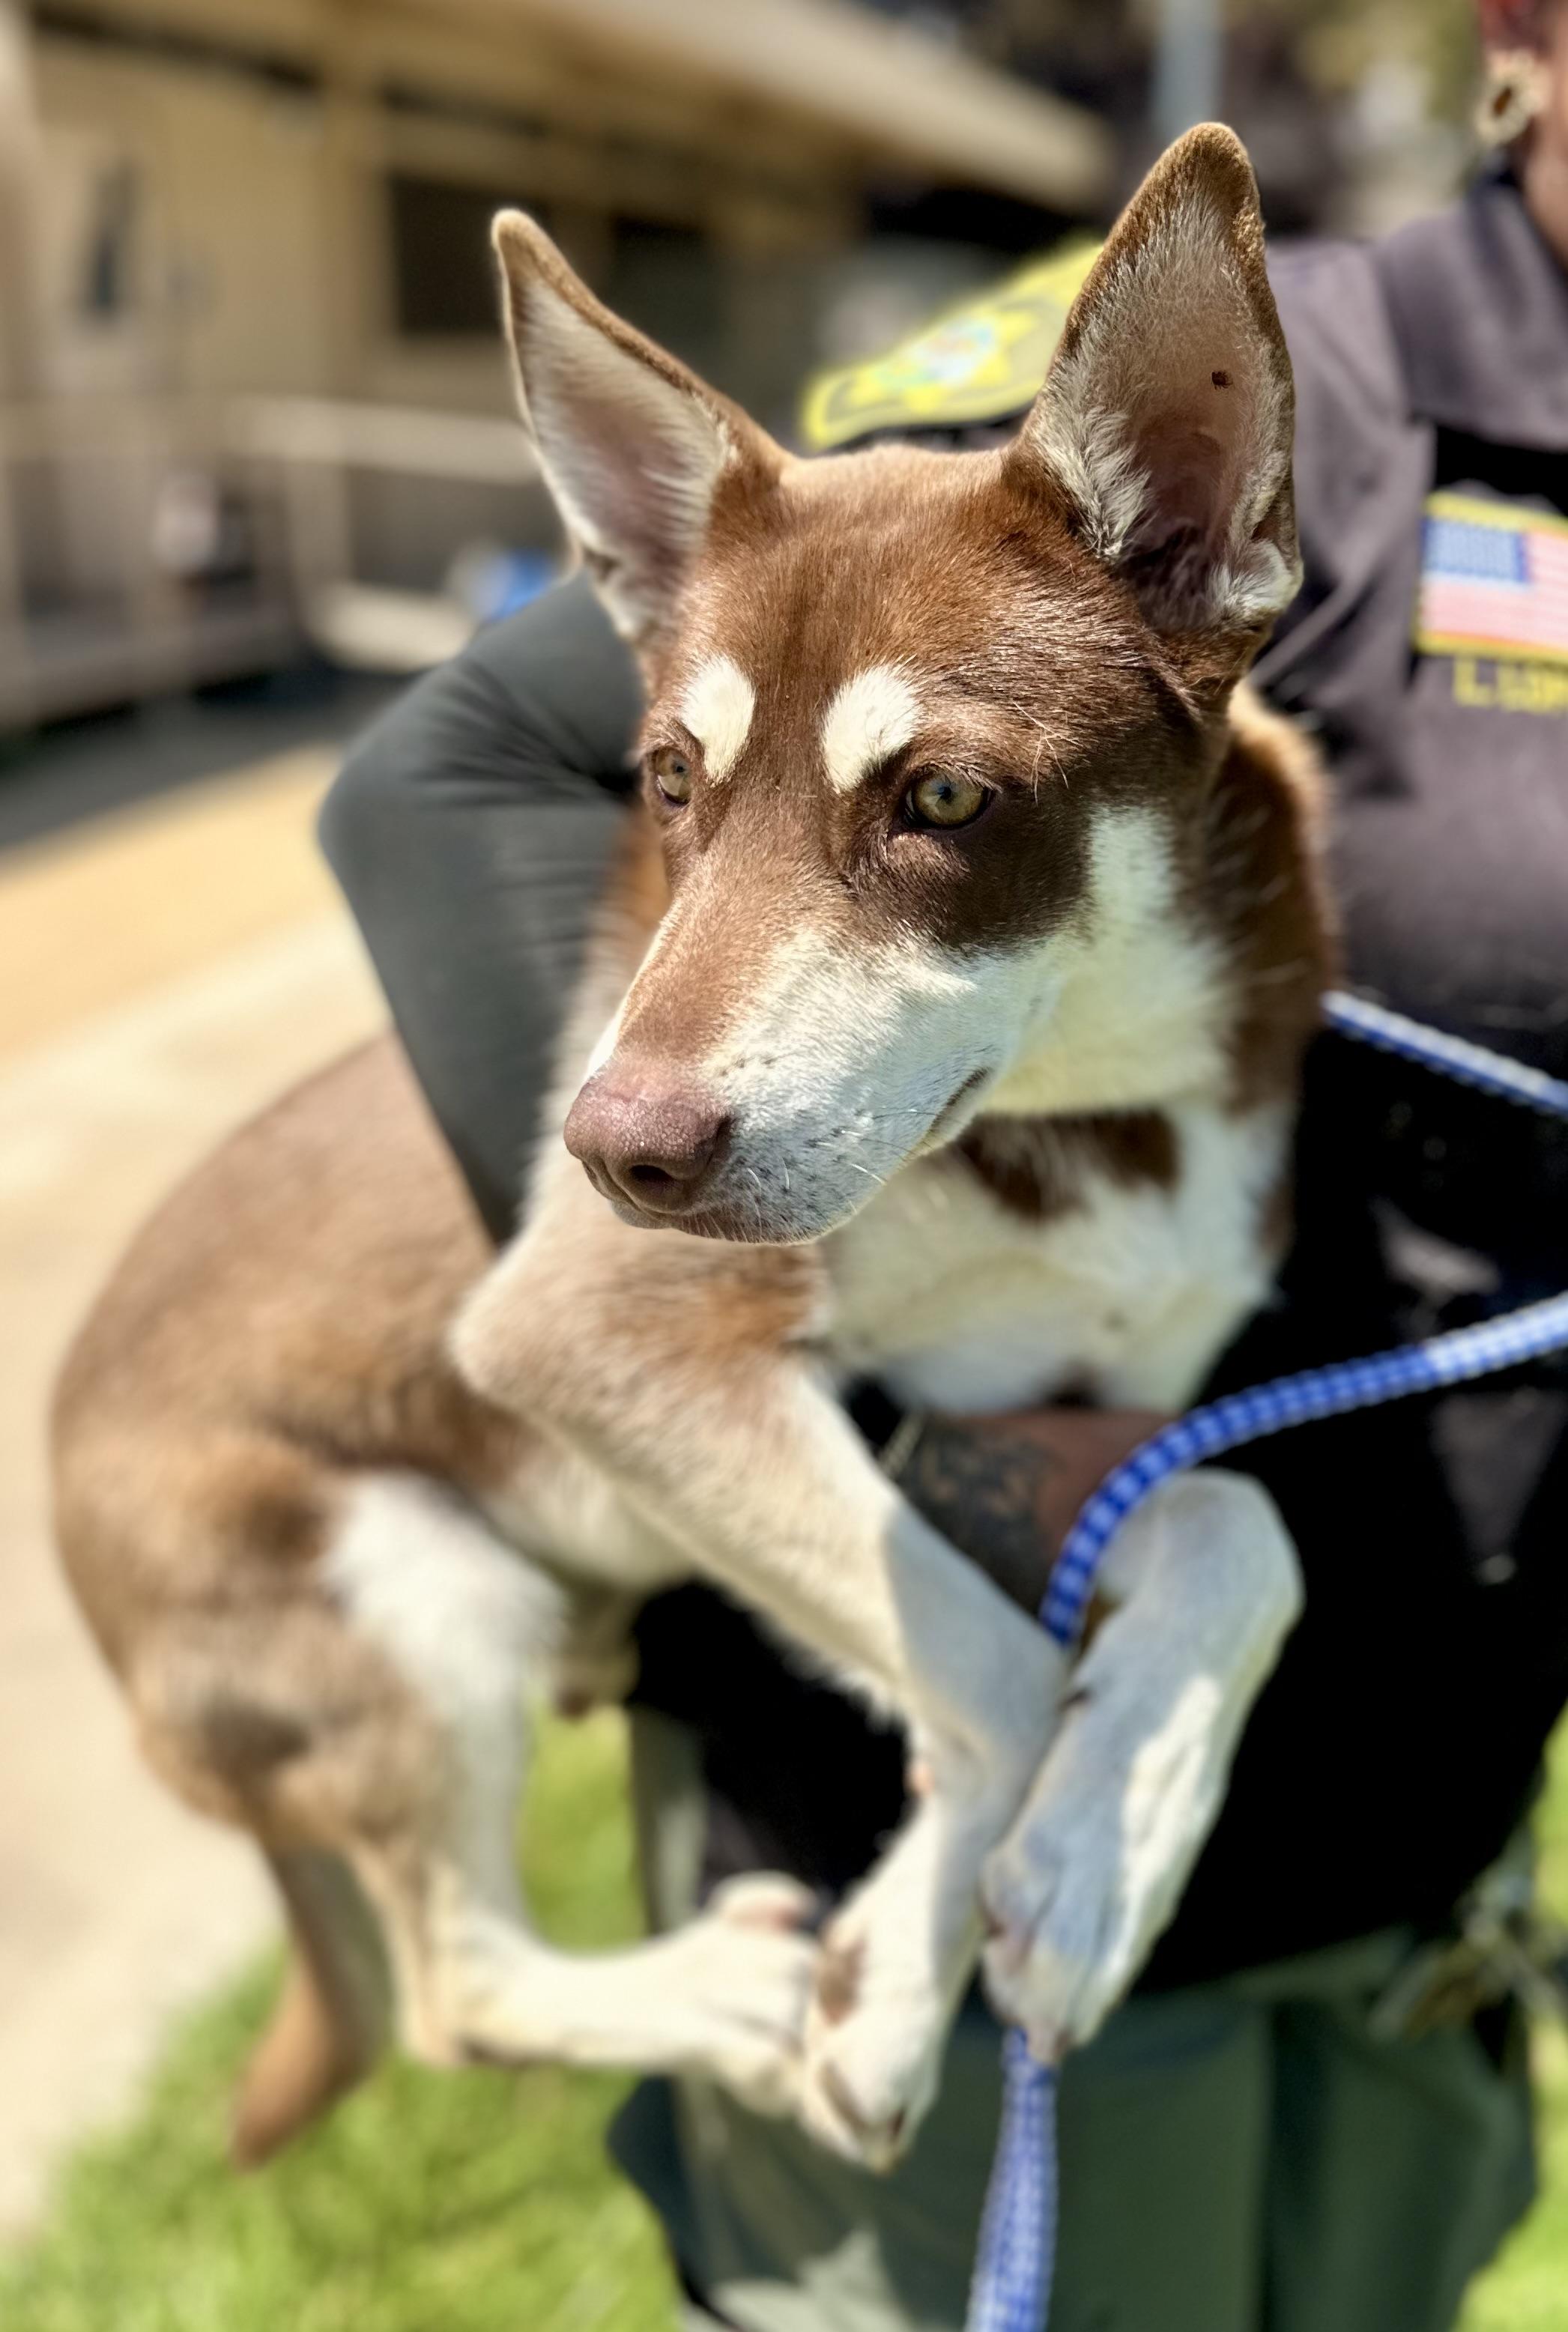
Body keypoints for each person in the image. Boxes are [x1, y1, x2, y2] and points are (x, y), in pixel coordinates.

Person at [320, 5, 1568, 2325]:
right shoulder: (1295, 376)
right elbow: (477, 770)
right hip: (949, 1850)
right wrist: (725, 1271)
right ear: (1519, 31)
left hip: (1429, 1852)